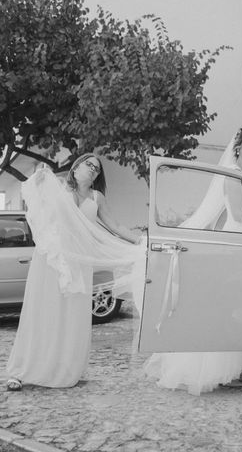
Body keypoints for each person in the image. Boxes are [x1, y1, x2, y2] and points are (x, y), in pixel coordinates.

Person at [144, 126, 242, 395]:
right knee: (224, 305)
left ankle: (231, 369)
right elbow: (238, 215)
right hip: (234, 241)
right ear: (237, 147)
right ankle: (206, 372)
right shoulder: (232, 175)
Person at [6, 154, 144, 391]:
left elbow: (115, 226)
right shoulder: (59, 189)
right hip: (53, 261)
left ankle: (65, 370)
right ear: (76, 166)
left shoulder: (96, 197)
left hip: (79, 263)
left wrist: (140, 241)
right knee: (42, 314)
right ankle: (22, 370)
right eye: (88, 165)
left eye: (97, 169)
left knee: (72, 318)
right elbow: (38, 206)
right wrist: (40, 178)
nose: (92, 170)